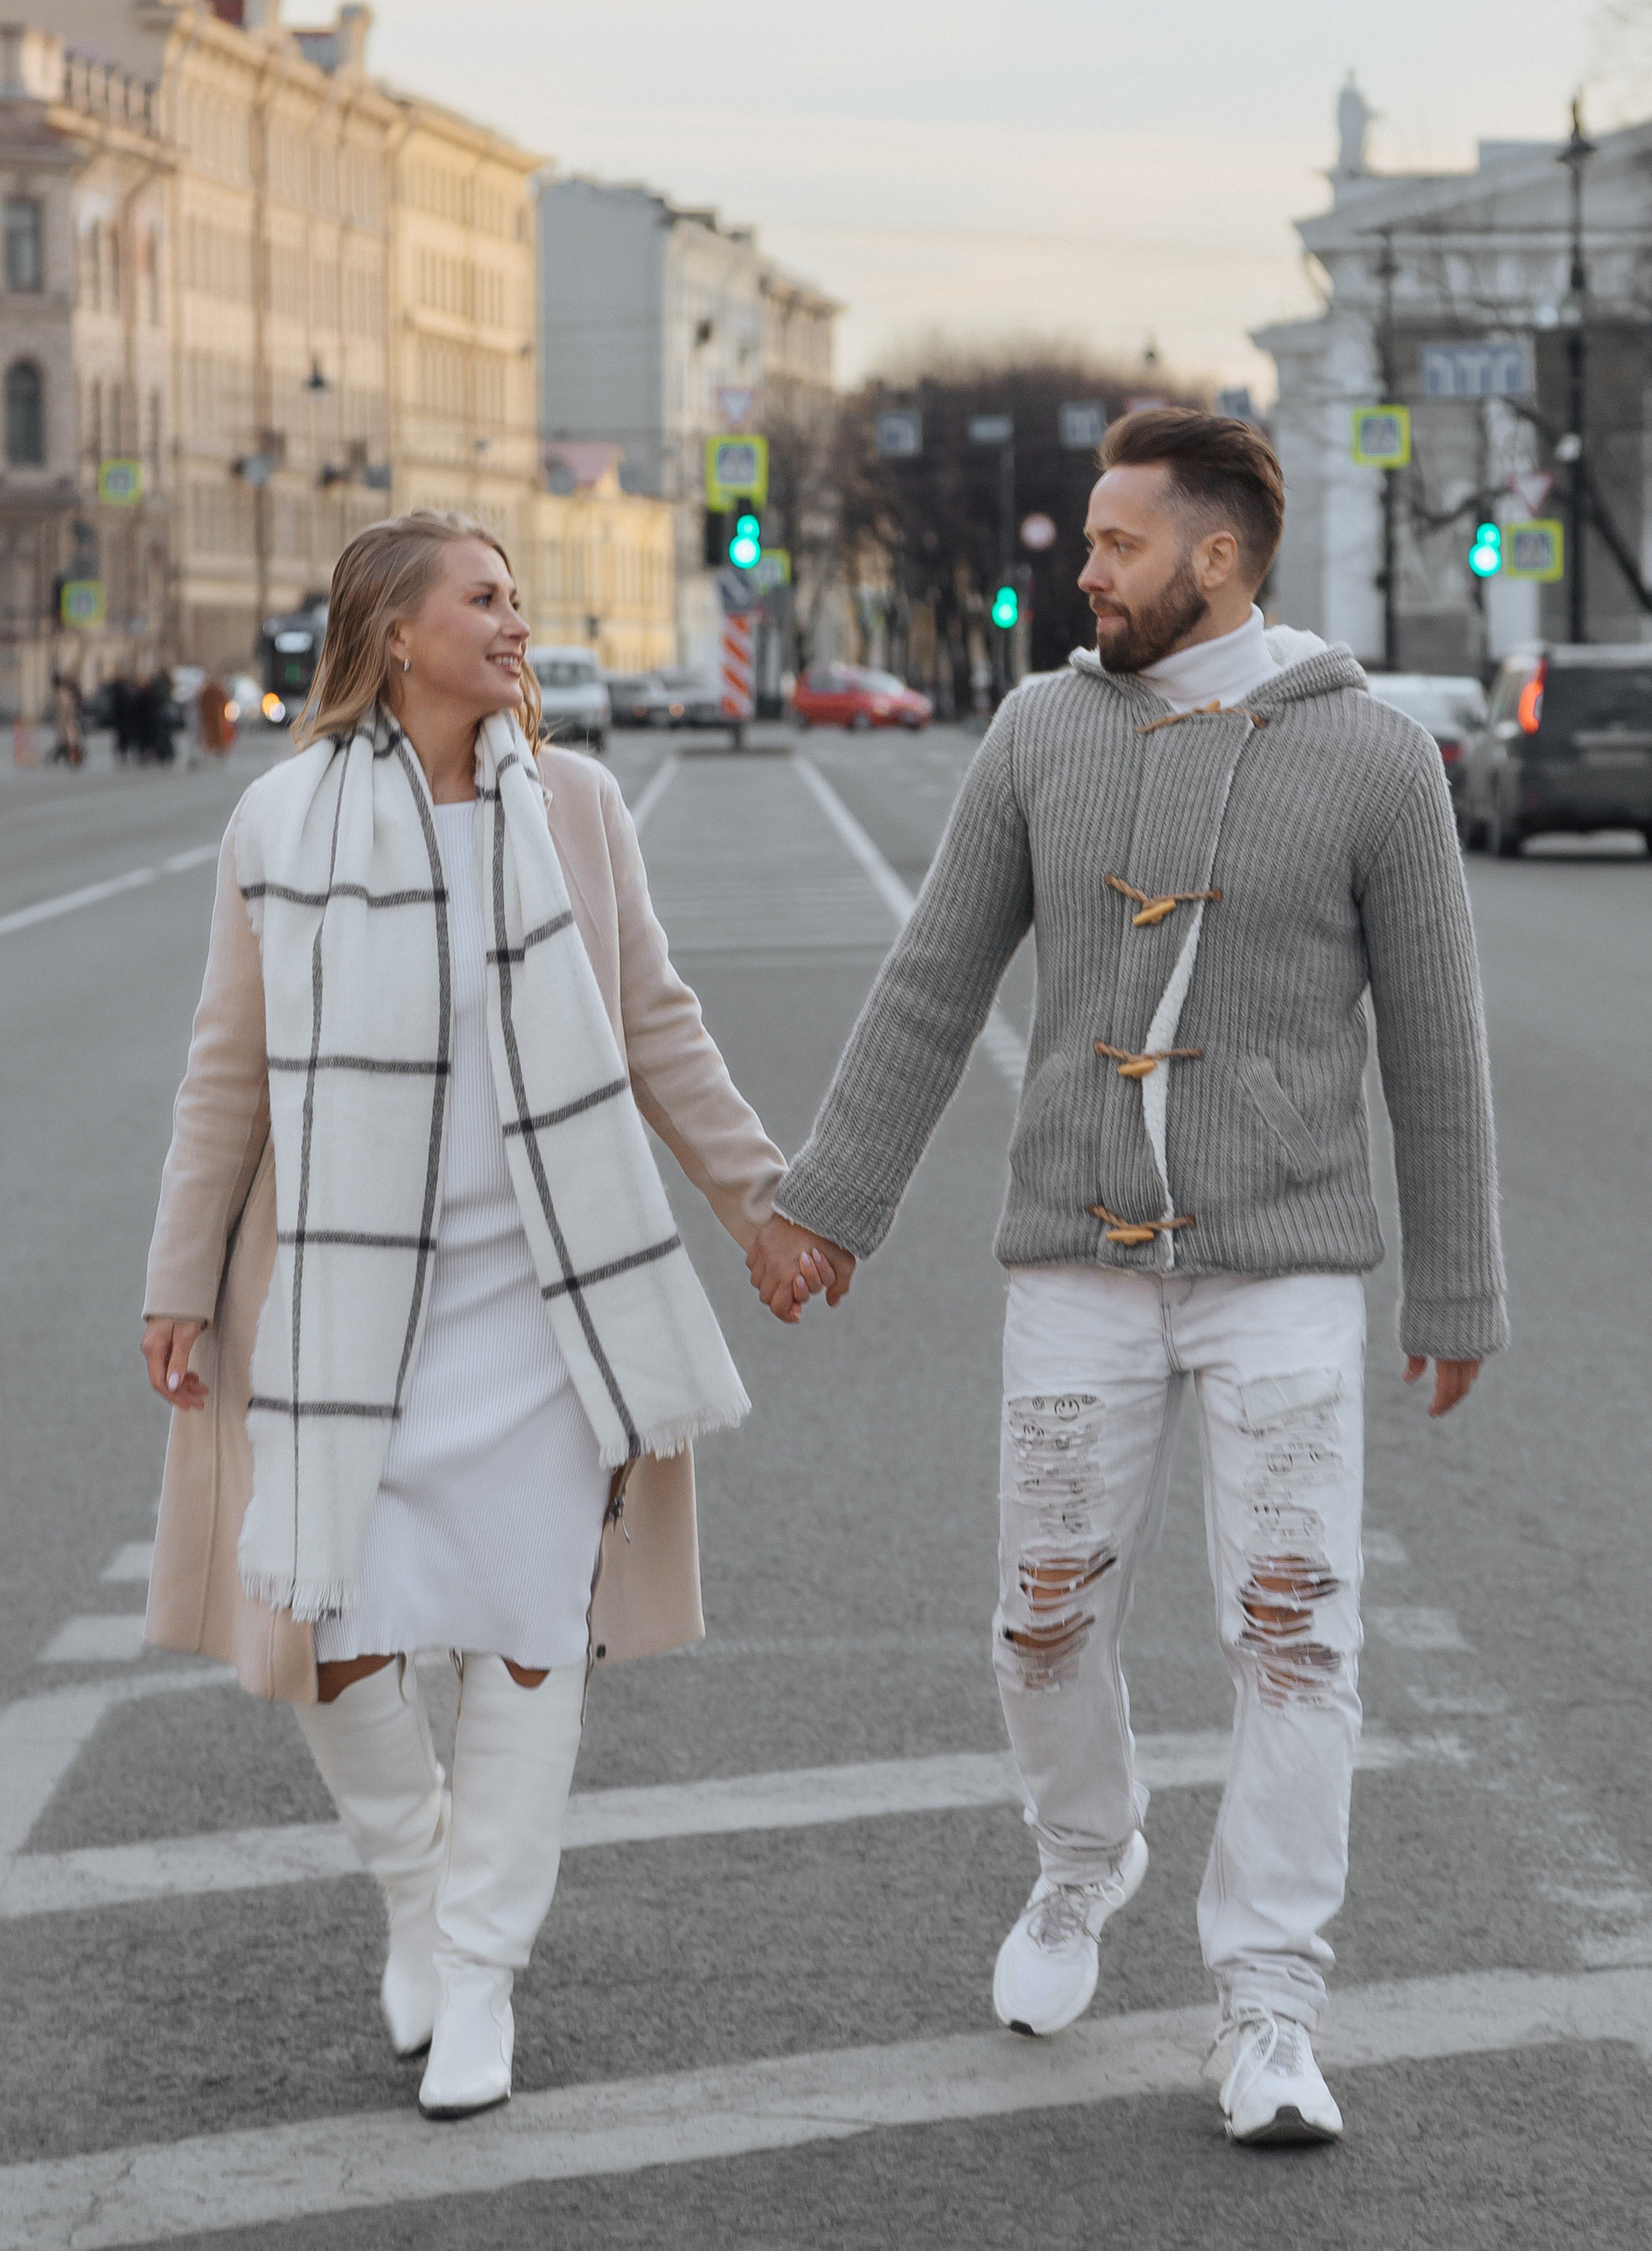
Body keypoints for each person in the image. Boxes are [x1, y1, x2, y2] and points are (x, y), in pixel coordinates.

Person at [752, 407, 1506, 2147]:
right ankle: (1081, 1863)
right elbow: (932, 980)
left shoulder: (1376, 757)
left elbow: (1436, 1046)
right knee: (1039, 1618)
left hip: (1284, 1262)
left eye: (1112, 543)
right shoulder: (1040, 731)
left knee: (1295, 1631)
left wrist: (1452, 1287)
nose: (1079, 570)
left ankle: (1268, 2001)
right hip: (1076, 1258)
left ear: (1216, 556)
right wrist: (827, 1204)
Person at [140, 510, 784, 2119]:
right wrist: (176, 1276)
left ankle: (482, 1968)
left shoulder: (572, 804)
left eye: (517, 599)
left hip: (536, 1292)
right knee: (337, 1632)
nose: (514, 625)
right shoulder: (278, 820)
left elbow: (653, 1021)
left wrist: (763, 1199)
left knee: (523, 1630)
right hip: (343, 1301)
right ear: (397, 631)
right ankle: (418, 1887)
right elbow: (227, 1066)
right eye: (485, 600)